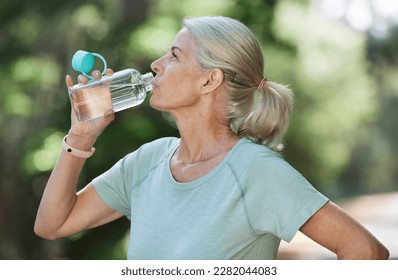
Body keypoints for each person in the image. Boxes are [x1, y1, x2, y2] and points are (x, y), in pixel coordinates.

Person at [34, 16, 389, 260]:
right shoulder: (149, 160)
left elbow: (365, 251)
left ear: (209, 80)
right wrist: (79, 137)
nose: (155, 64)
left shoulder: (256, 172)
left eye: (174, 55)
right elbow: (53, 224)